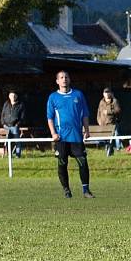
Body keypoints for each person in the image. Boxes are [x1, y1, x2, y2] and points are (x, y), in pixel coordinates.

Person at [46, 71, 94, 199]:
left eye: (66, 77)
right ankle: (66, 190)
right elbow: (50, 117)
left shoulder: (78, 95)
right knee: (62, 163)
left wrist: (87, 130)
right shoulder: (53, 97)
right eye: (61, 77)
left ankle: (86, 190)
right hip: (61, 137)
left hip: (76, 136)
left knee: (83, 162)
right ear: (57, 81)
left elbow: (85, 114)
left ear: (70, 79)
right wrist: (53, 133)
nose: (64, 79)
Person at [96, 88, 122, 156]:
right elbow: (99, 112)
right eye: (105, 92)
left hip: (111, 123)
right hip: (102, 124)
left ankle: (112, 150)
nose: (107, 94)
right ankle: (109, 150)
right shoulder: (101, 102)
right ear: (103, 94)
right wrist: (98, 120)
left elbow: (118, 110)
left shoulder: (115, 101)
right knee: (105, 139)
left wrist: (108, 112)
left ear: (110, 93)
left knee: (112, 138)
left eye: (108, 92)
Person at [1, 91, 26, 158]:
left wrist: (17, 124)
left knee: (17, 141)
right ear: (9, 96)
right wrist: (3, 123)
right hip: (6, 126)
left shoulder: (20, 104)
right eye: (11, 95)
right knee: (8, 142)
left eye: (14, 95)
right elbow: (2, 114)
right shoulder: (6, 103)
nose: (13, 97)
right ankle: (9, 155)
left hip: (14, 126)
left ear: (16, 96)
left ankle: (18, 155)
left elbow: (22, 117)